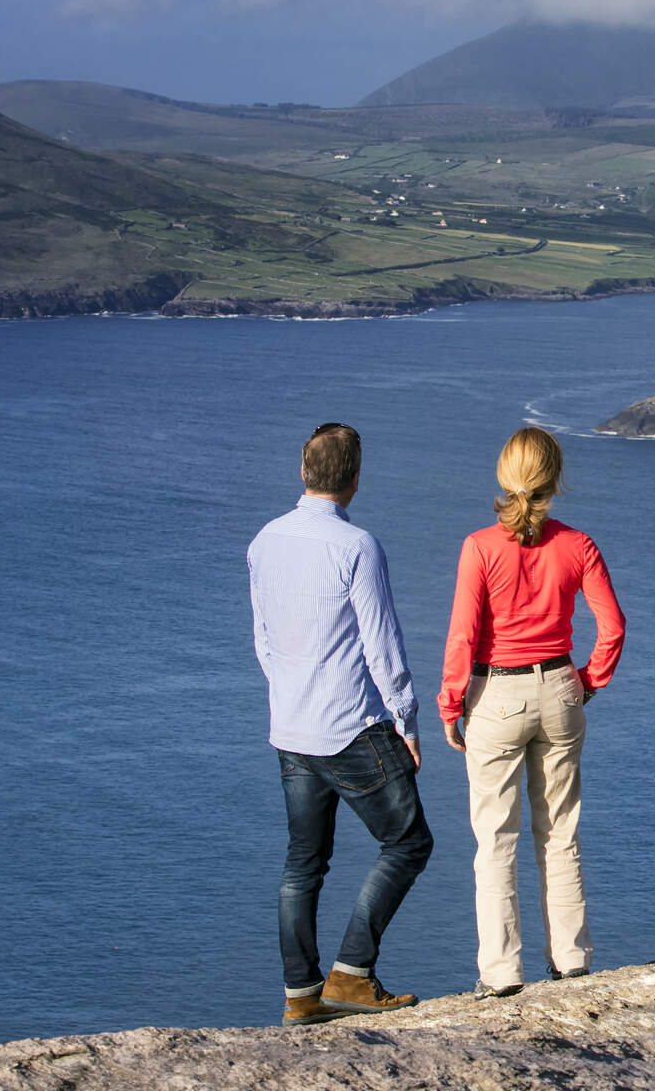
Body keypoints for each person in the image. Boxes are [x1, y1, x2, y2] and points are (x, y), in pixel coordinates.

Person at [247, 422, 433, 1026]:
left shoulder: (264, 542)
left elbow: (264, 641)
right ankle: (352, 974)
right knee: (408, 842)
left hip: (290, 726)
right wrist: (406, 718)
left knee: (304, 863)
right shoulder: (357, 548)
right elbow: (383, 646)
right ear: (355, 481)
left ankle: (300, 995)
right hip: (351, 724)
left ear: (302, 473)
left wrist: (289, 695)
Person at [439, 426, 626, 999]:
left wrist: (450, 704)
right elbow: (612, 627)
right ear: (554, 478)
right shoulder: (579, 545)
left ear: (505, 476)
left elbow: (463, 637)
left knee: (496, 840)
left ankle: (501, 975)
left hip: (496, 695)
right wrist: (587, 683)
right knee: (560, 832)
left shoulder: (479, 546)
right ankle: (570, 961)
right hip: (561, 688)